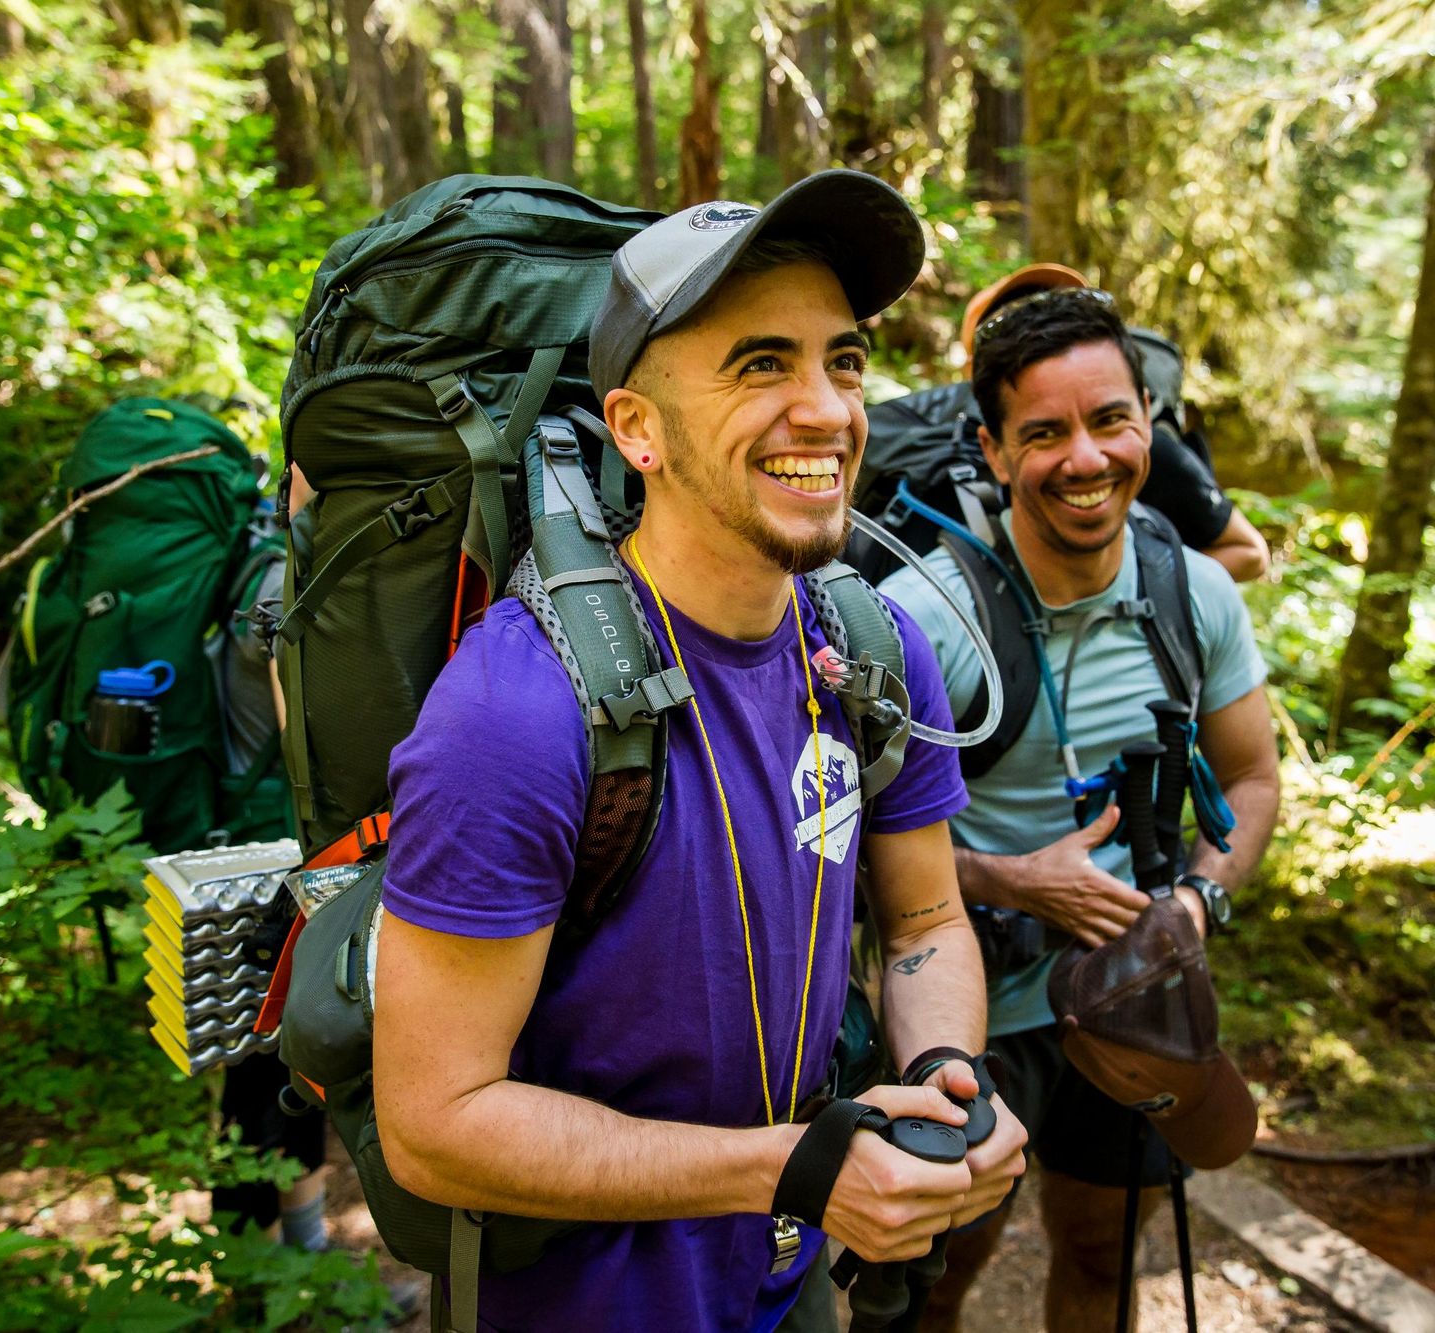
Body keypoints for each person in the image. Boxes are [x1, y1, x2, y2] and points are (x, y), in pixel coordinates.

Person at [368, 171, 1028, 1331]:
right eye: (759, 364)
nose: (825, 409)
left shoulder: (872, 650)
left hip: (792, 1271)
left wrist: (935, 1082)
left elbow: (925, 923)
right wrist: (787, 1170)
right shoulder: (516, 714)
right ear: (635, 427)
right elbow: (435, 1122)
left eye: (844, 359)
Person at [880, 285, 1282, 1333]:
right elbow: (831, 839)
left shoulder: (1193, 592)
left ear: (1147, 421)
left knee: (1105, 1251)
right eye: (1044, 432)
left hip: (1136, 988)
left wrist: (1197, 897)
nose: (1086, 458)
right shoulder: (925, 620)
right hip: (967, 1010)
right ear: (993, 449)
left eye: (1109, 420)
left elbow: (1251, 779)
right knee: (934, 1275)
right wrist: (1004, 878)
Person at [959, 264, 1271, 585]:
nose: (1043, 330)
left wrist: (1145, 595)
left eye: (1059, 305)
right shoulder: (946, 469)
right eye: (1004, 326)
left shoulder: (1144, 447)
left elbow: (1249, 553)